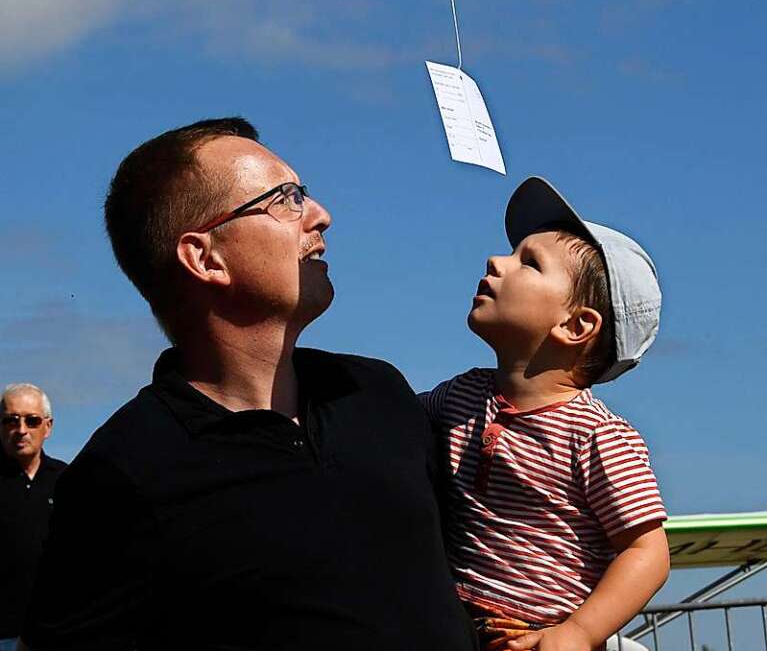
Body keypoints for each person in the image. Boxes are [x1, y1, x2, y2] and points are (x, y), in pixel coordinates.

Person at [22, 117, 477, 651]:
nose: (321, 216)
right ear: (204, 257)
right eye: (286, 199)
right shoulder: (126, 469)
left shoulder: (376, 391)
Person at [421, 177, 670, 651]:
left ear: (575, 325)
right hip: (454, 625)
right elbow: (384, 421)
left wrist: (578, 633)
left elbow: (647, 551)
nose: (496, 261)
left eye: (528, 263)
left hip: (536, 636)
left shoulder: (597, 435)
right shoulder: (461, 395)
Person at [0, 384, 66, 651]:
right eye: (11, 420)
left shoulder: (67, 482)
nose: (22, 429)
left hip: (54, 635)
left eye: (32, 420)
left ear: (47, 427)